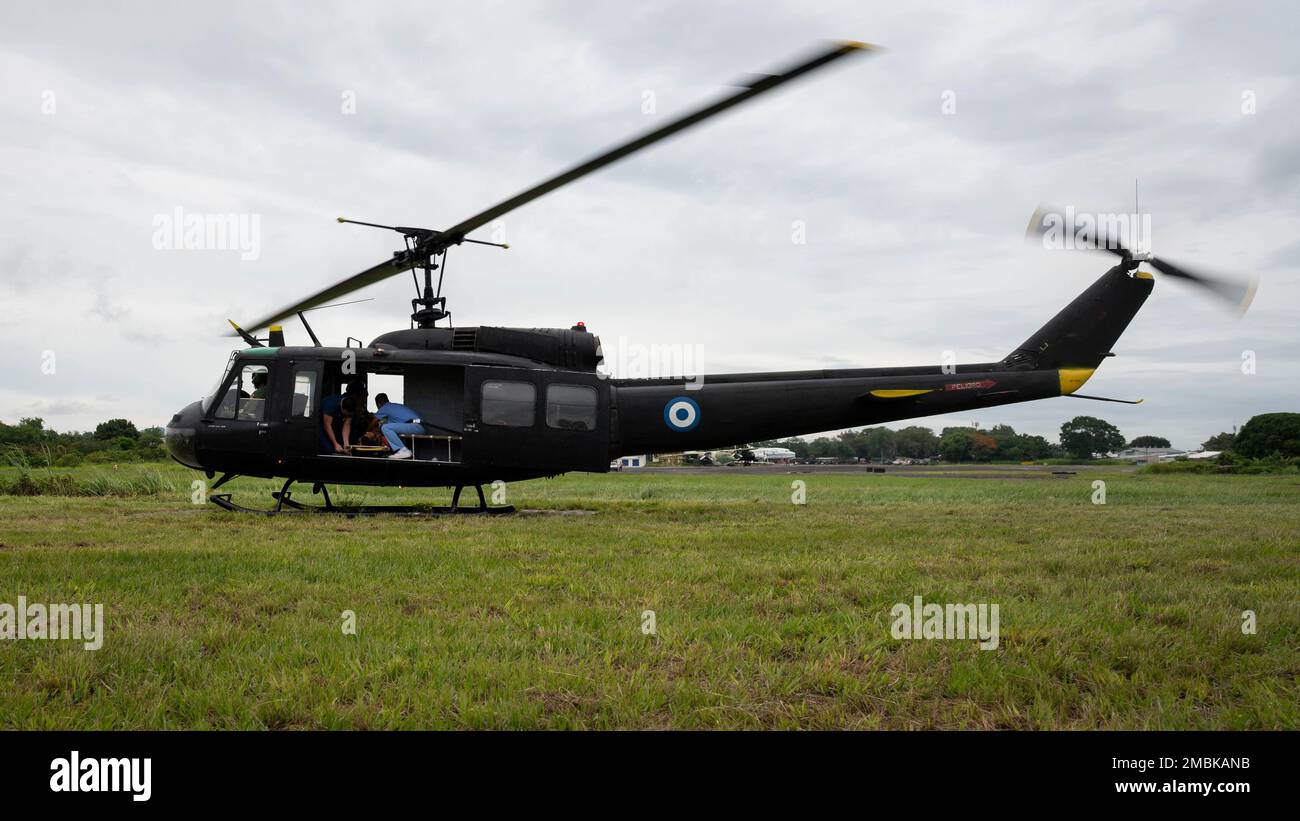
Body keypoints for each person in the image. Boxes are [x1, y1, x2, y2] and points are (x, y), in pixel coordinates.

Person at [320, 382, 367, 454]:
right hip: (322, 425)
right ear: (343, 409)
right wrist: (335, 444)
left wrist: (346, 444)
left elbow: (346, 425)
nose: (347, 416)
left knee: (342, 447)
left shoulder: (350, 405)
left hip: (334, 423)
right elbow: (327, 426)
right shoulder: (331, 405)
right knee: (329, 448)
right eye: (346, 415)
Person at [373, 393, 424, 460]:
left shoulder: (385, 407)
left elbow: (373, 421)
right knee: (387, 427)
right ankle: (402, 451)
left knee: (385, 427)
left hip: (416, 426)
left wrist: (365, 431)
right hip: (418, 427)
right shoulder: (393, 407)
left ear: (379, 403)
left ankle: (403, 450)